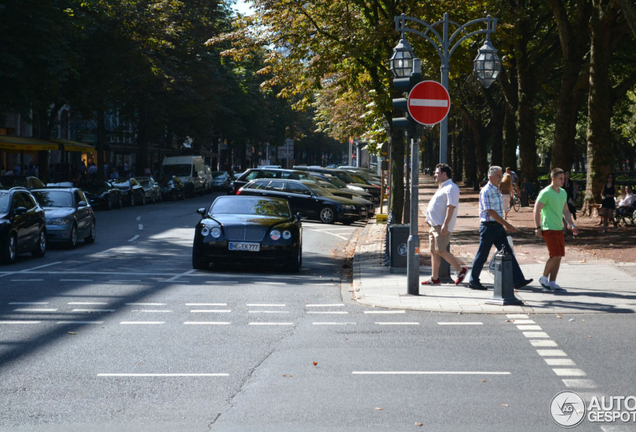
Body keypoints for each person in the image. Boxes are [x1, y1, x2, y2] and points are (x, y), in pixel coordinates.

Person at [467, 166, 532, 291]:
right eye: (498, 176)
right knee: (482, 255)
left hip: (497, 226)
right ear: (490, 177)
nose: (500, 178)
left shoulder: (497, 189)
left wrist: (503, 224)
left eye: (501, 175)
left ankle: (518, 280)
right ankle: (473, 280)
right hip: (488, 227)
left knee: (508, 252)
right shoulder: (486, 191)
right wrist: (507, 224)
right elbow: (490, 211)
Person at [421, 164, 468, 286]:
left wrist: (445, 224)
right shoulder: (442, 187)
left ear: (444, 174)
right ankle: (434, 278)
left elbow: (451, 207)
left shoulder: (451, 188)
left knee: (441, 250)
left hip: (441, 225)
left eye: (437, 173)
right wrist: (429, 218)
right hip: (434, 224)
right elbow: (436, 205)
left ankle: (460, 269)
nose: (435, 175)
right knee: (433, 251)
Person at [534, 168, 579, 292]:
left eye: (564, 178)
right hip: (548, 228)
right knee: (555, 254)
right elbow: (536, 210)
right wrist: (537, 227)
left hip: (559, 228)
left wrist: (572, 224)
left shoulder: (563, 192)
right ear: (553, 179)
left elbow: (566, 211)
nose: (563, 181)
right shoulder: (545, 192)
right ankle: (544, 278)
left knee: (559, 256)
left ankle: (552, 282)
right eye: (560, 179)